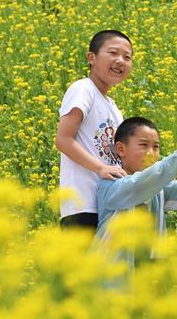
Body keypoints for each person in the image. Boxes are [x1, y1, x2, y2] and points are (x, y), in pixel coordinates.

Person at [95, 117, 177, 267]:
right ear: (121, 149)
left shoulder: (158, 190)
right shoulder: (111, 185)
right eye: (143, 145)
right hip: (112, 278)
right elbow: (140, 184)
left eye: (156, 147)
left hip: (148, 276)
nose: (151, 153)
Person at [55, 30, 133, 230]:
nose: (120, 61)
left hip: (108, 206)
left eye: (127, 57)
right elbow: (63, 140)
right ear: (91, 58)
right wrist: (101, 169)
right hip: (83, 207)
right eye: (113, 53)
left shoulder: (114, 109)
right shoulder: (83, 89)